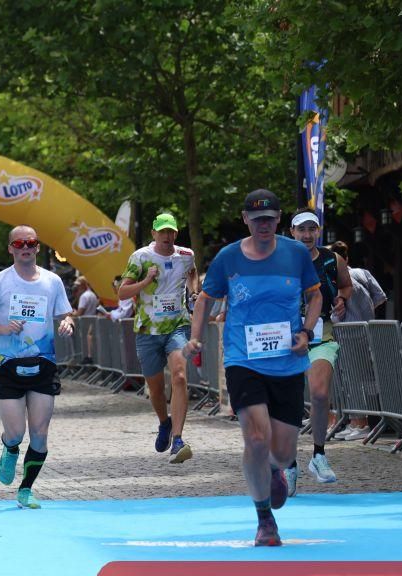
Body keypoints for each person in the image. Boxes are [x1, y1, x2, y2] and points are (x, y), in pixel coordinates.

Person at [186, 189, 321, 546]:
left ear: (279, 220)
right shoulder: (228, 258)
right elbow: (205, 299)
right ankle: (265, 520)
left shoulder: (295, 254)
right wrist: (196, 338)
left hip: (288, 362)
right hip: (243, 359)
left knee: (284, 452)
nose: (264, 225)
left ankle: (276, 470)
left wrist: (307, 332)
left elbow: (315, 295)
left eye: (270, 219)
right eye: (257, 219)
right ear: (245, 219)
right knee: (256, 438)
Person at [0, 225, 74, 509]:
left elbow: (66, 314)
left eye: (30, 243)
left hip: (43, 362)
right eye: (19, 243)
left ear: (38, 247)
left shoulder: (52, 281)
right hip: (7, 364)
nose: (25, 247)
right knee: (16, 432)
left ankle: (26, 489)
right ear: (11, 249)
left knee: (40, 431)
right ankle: (10, 446)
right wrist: (3, 329)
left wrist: (67, 323)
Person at [117, 213, 199, 462]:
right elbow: (122, 292)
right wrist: (146, 280)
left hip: (177, 325)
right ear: (154, 233)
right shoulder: (141, 257)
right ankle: (165, 422)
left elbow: (192, 273)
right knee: (156, 389)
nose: (167, 236)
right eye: (162, 231)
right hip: (147, 330)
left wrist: (193, 291)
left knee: (180, 376)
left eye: (170, 231)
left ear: (176, 233)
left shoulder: (185, 255)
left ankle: (178, 440)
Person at [285, 209, 353, 495]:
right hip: (286, 341)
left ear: (318, 231)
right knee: (287, 402)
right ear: (292, 232)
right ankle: (289, 464)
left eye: (312, 229)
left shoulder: (331, 259)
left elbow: (346, 286)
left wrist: (341, 299)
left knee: (320, 394)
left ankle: (319, 454)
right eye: (301, 230)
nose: (307, 235)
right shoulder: (280, 259)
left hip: (321, 337)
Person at [328, 241, 387, 441]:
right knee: (361, 377)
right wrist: (365, 312)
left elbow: (333, 312)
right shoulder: (363, 273)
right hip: (365, 329)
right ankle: (357, 422)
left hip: (346, 333)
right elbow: (380, 297)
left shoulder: (335, 279)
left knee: (351, 379)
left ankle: (360, 422)